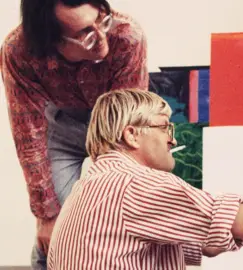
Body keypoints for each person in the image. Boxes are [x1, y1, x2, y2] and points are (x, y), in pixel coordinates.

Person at [47, 89, 243, 269]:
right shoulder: (134, 184)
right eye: (165, 126)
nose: (172, 138)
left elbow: (204, 244)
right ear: (131, 135)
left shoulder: (95, 183)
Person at [0, 0, 148, 268]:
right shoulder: (18, 51)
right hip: (60, 127)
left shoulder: (126, 35)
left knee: (113, 220)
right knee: (57, 230)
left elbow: (127, 126)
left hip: (117, 127)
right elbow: (27, 131)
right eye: (85, 34)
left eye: (101, 21)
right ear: (52, 40)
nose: (103, 40)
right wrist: (46, 216)